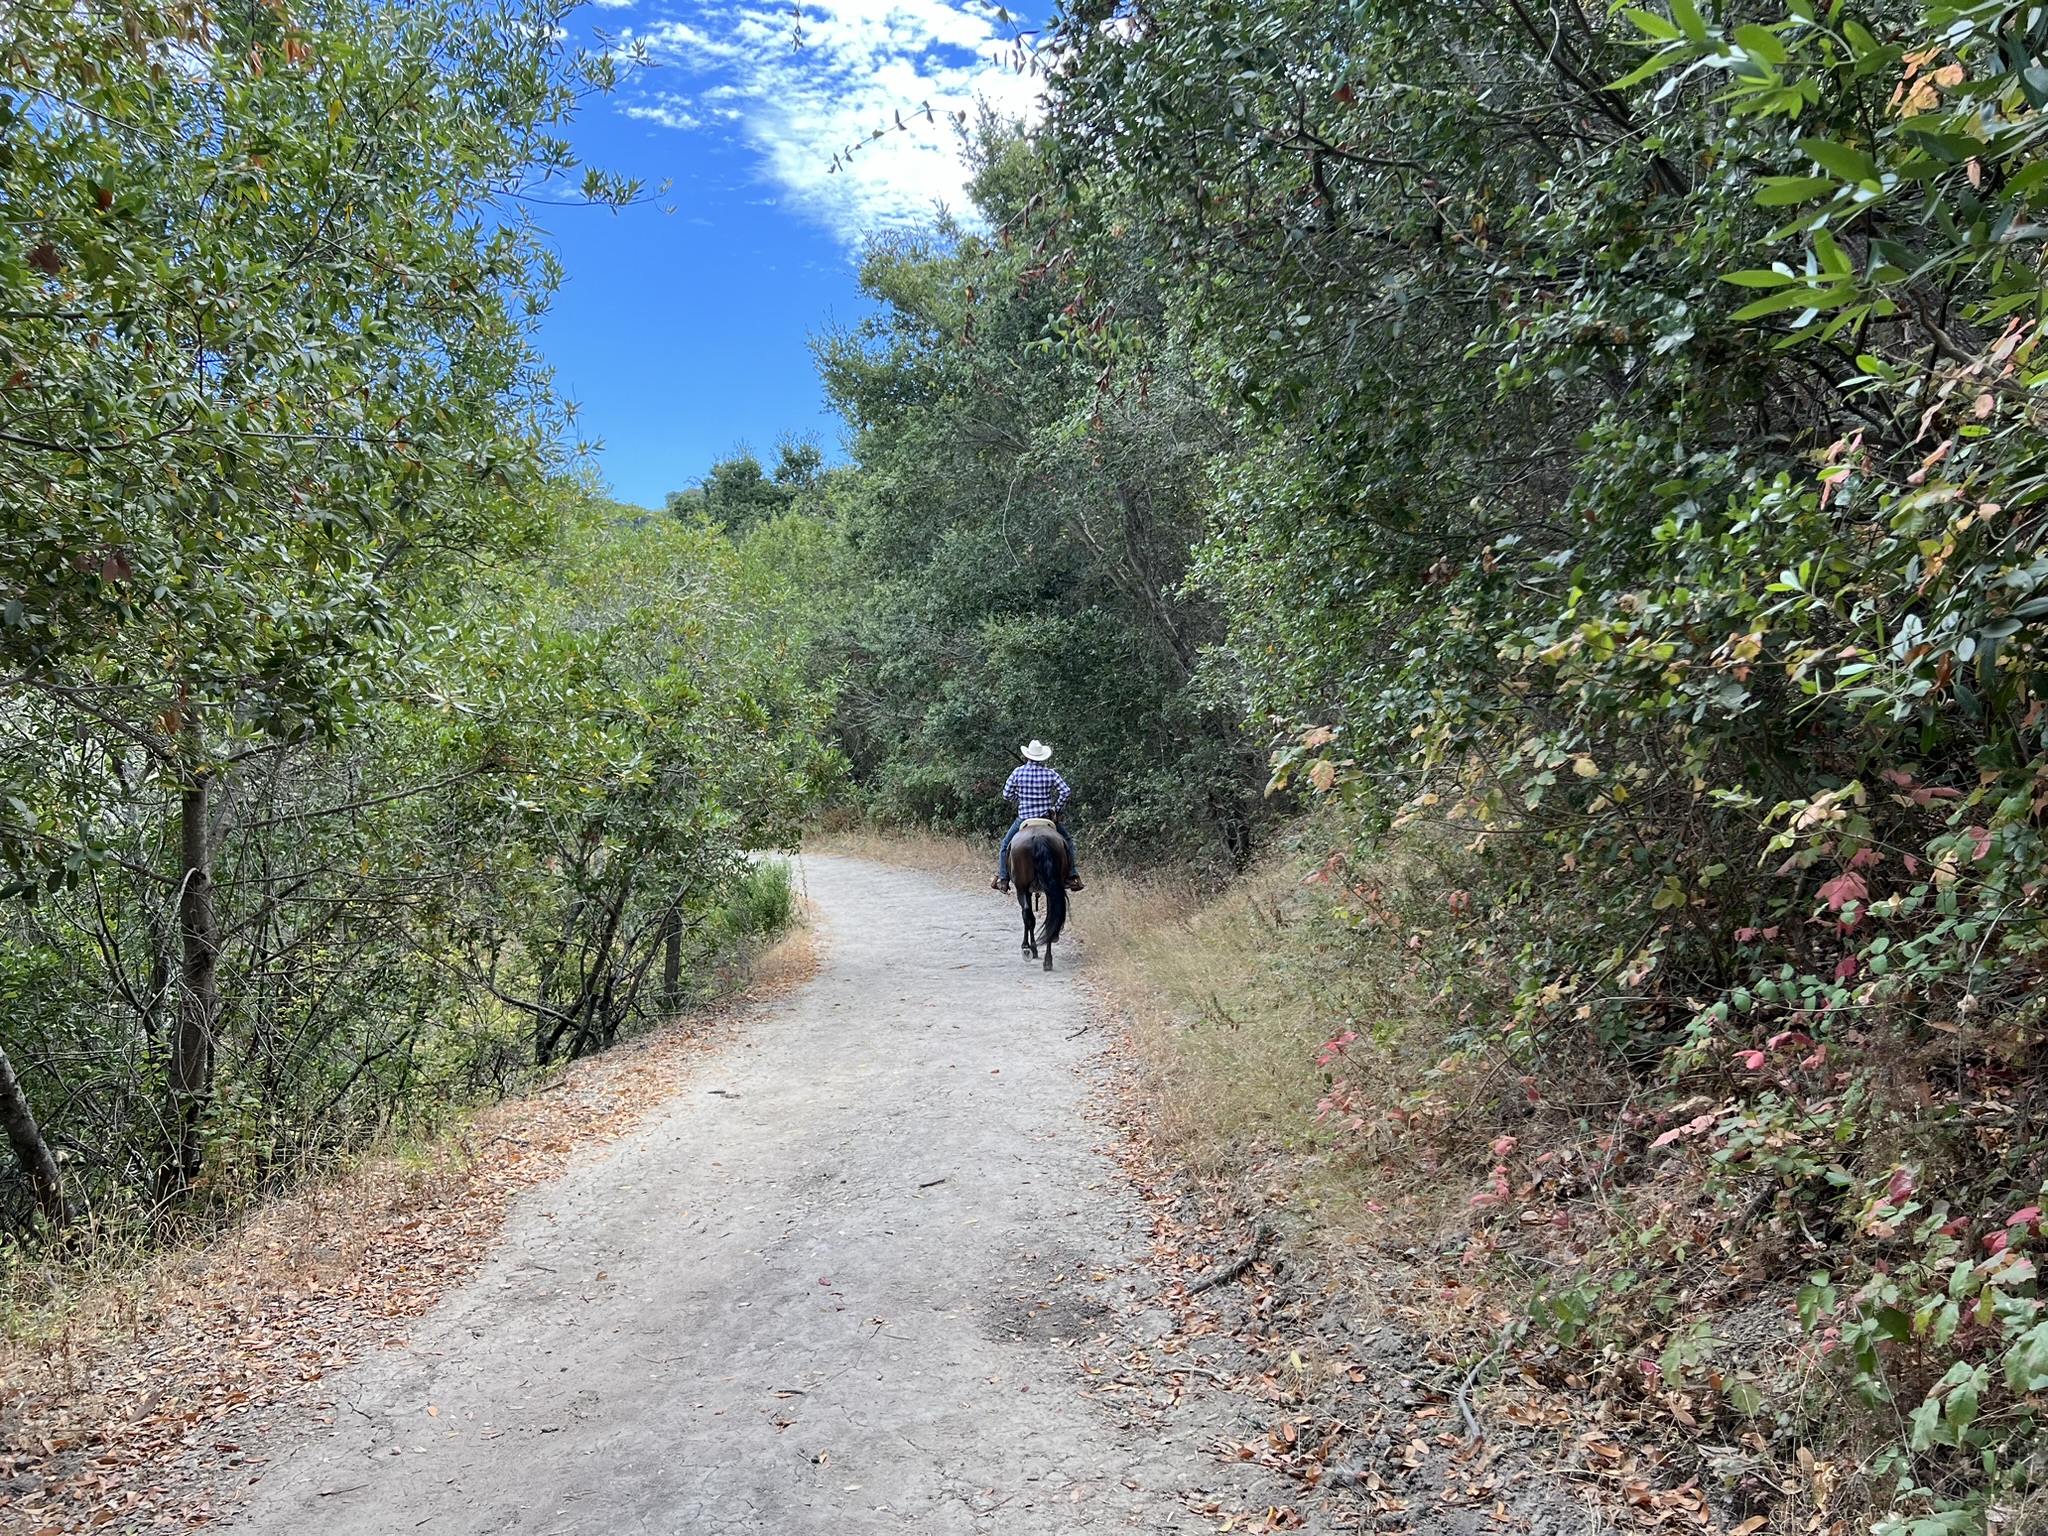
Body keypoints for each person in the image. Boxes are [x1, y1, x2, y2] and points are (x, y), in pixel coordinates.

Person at [993, 739, 1083, 894]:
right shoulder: (1050, 773)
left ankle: (1003, 879)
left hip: (1024, 819)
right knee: (1068, 841)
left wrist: (1019, 798)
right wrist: (1056, 808)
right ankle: (1072, 875)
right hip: (1046, 819)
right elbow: (1065, 791)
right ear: (1041, 757)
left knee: (1005, 845)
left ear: (1027, 755)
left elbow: (1006, 794)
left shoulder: (1018, 772)